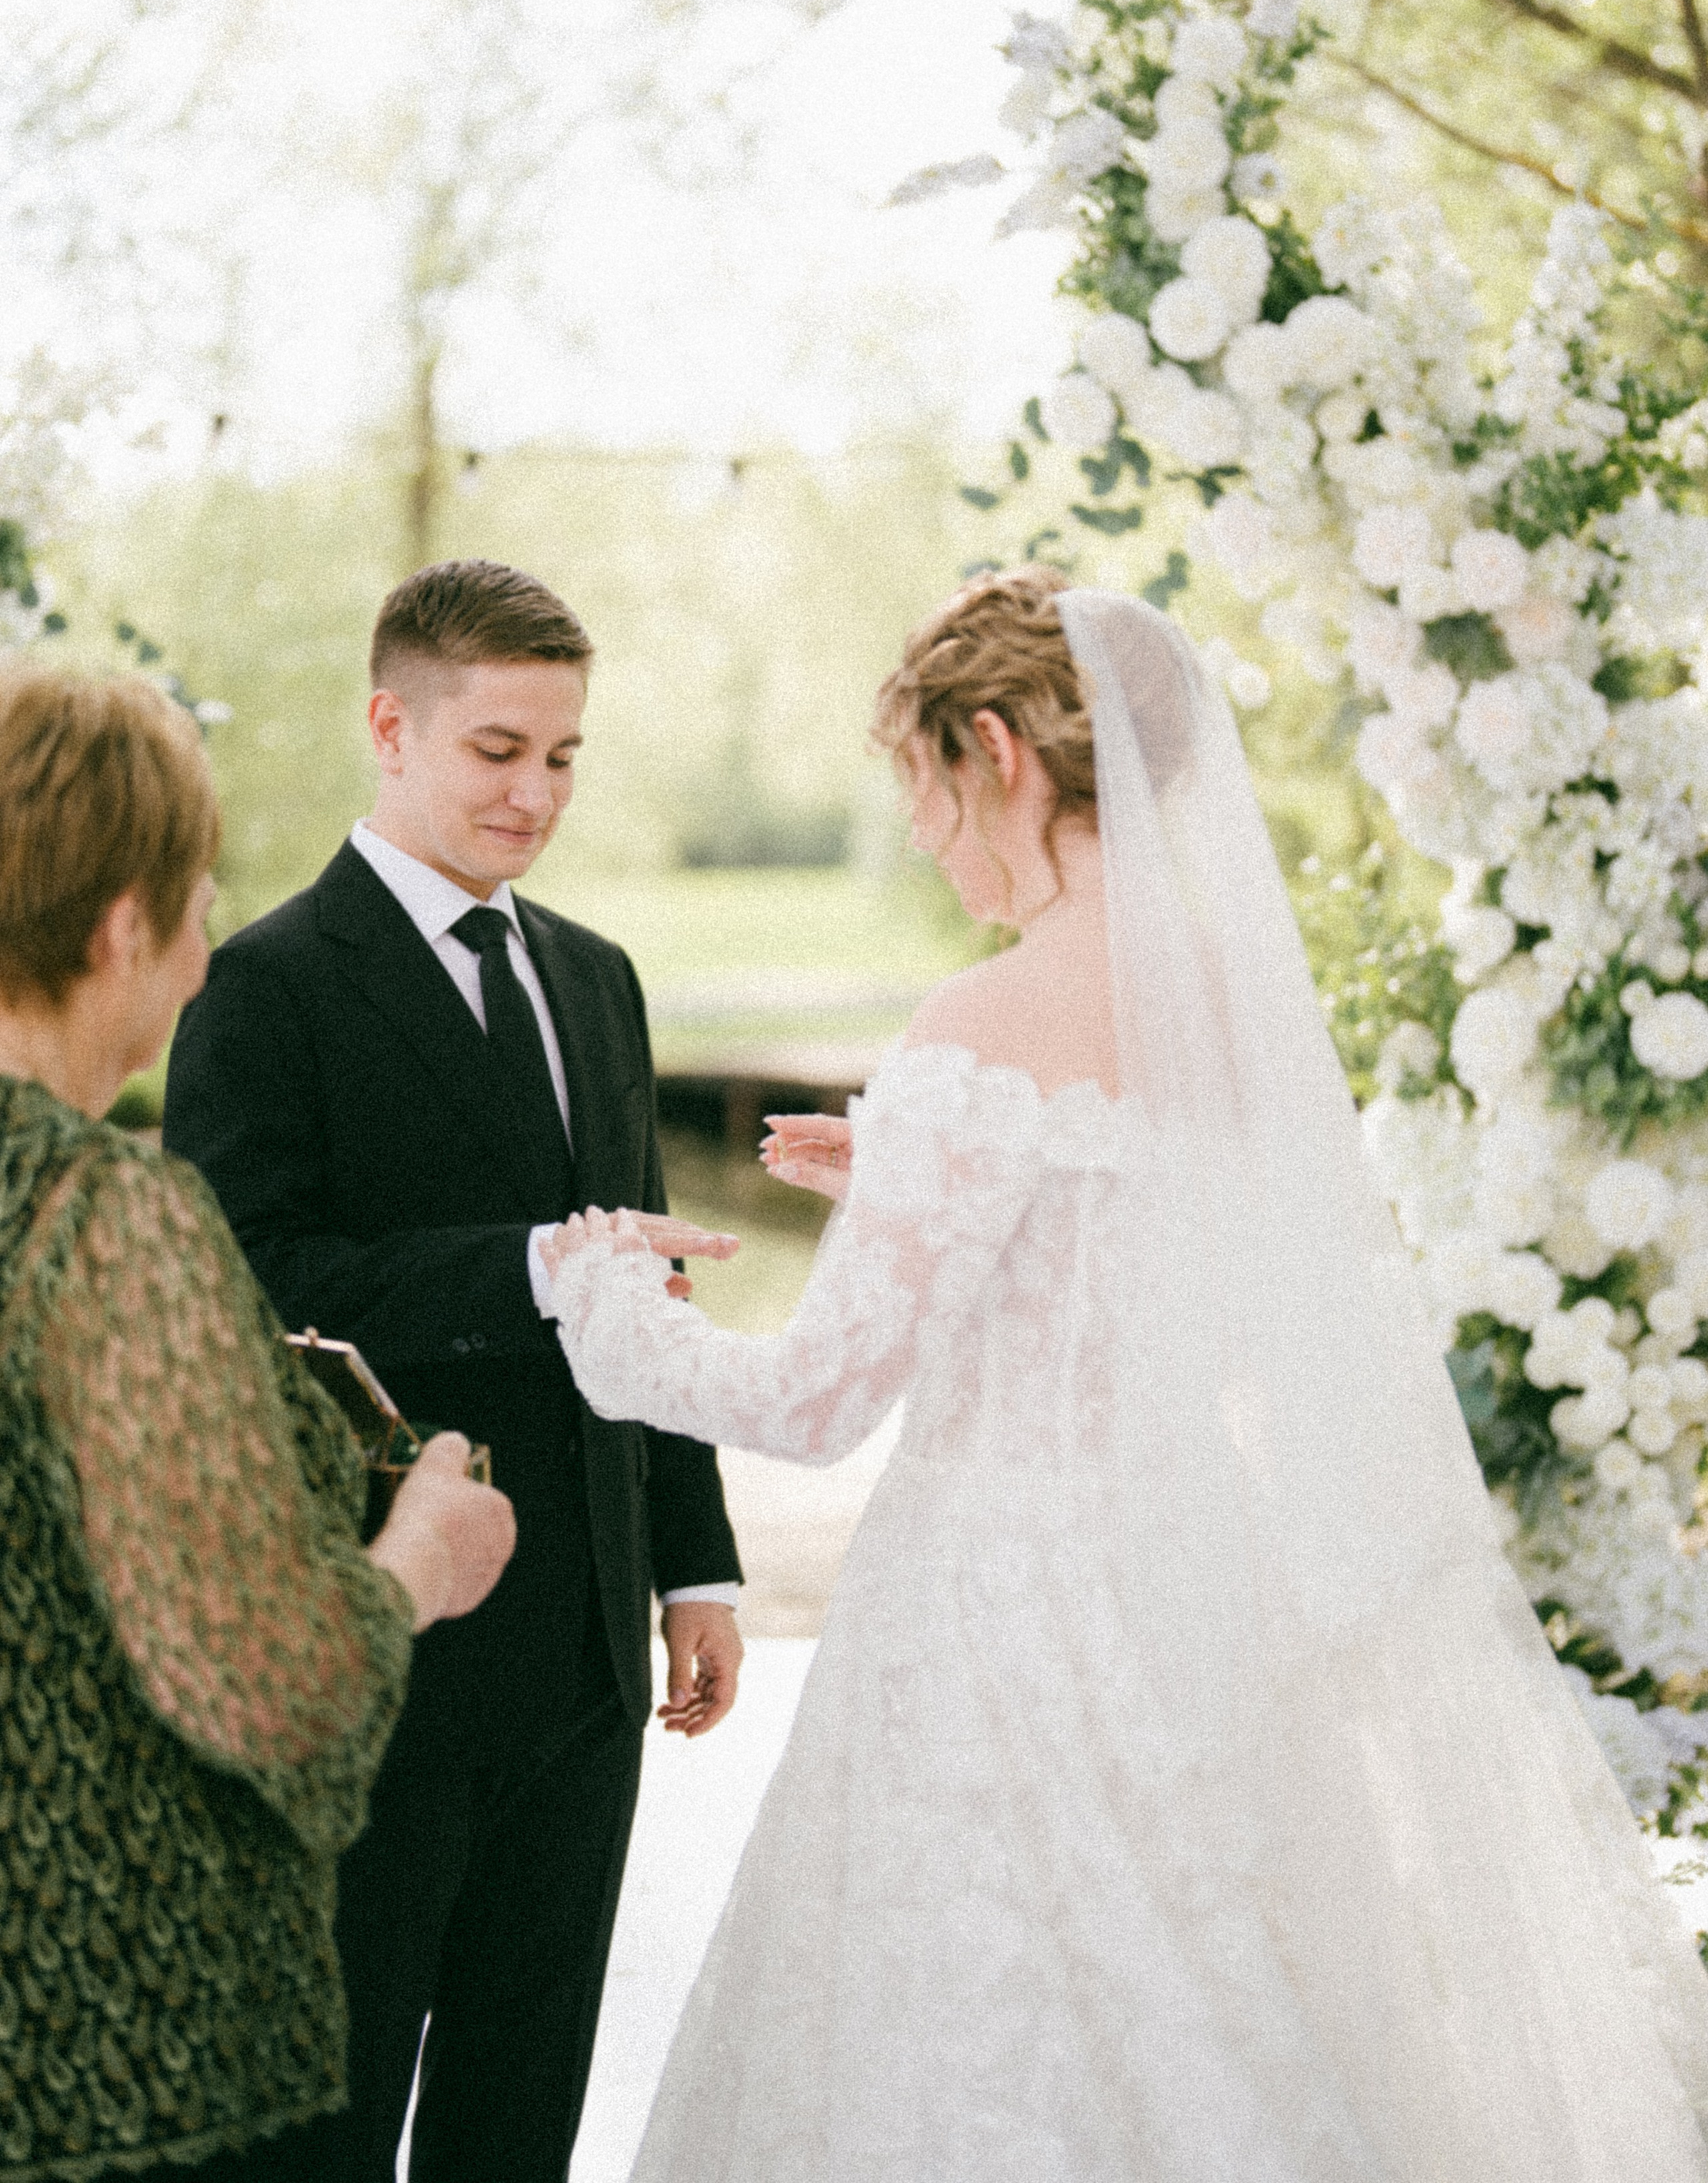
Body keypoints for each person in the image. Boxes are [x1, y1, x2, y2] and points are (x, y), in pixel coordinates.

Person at [546, 568, 1708, 2182]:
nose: (933, 846)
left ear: (994, 747)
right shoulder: (1229, 1017)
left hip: (991, 1621)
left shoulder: (980, 1019)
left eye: (926, 794)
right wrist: (900, 1184)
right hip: (1204, 1591)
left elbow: (811, 1405)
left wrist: (603, 1307)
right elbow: (1172, 1274)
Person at [163, 558, 743, 2183]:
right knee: (331, 2123)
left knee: (522, 2112)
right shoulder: (263, 988)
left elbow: (642, 1297)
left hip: (586, 1656)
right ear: (387, 726)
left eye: (564, 757)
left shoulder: (600, 980)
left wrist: (690, 1560)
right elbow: (254, 1280)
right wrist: (528, 1267)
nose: (535, 794)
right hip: (382, 1654)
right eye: (498, 750)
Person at [0, 664, 515, 2183]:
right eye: (197, 900)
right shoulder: (103, 1219)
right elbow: (267, 1680)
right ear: (119, 926)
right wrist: (418, 1548)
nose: (208, 949)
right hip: (109, 2043)